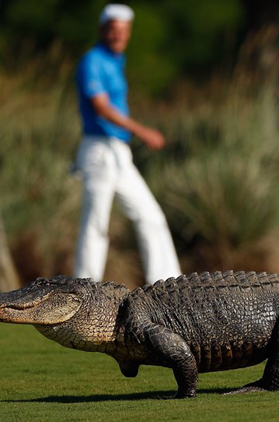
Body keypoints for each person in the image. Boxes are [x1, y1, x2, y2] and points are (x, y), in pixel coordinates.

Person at [73, 4, 181, 285]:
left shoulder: (116, 61)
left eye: (123, 30)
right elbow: (101, 108)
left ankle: (169, 285)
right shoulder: (93, 61)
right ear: (102, 30)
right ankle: (85, 289)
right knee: (96, 222)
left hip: (119, 153)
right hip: (98, 150)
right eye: (113, 29)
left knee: (151, 216)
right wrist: (142, 131)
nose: (118, 35)